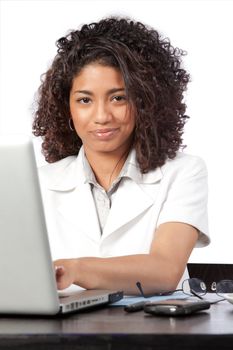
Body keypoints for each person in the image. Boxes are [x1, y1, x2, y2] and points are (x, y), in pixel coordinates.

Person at [33, 17, 209, 296]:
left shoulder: (183, 172)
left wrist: (75, 270)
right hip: (63, 334)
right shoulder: (36, 184)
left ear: (145, 102)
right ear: (65, 107)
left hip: (156, 334)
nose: (102, 116)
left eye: (118, 98)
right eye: (85, 100)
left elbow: (164, 271)